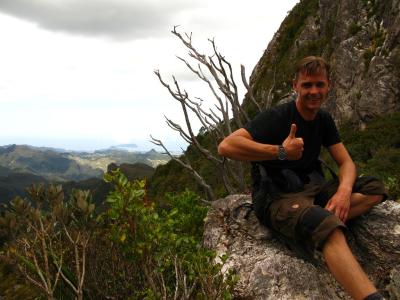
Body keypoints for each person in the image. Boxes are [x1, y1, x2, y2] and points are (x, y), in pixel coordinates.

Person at [218, 56, 387, 300]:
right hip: (278, 197)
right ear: (295, 86)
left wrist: (343, 192)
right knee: (328, 228)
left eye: (319, 84)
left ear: (329, 85)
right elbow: (226, 146)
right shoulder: (278, 116)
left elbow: (346, 162)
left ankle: (314, 223)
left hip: (312, 190)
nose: (314, 91)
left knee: (374, 188)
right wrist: (280, 151)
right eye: (307, 85)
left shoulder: (323, 119)